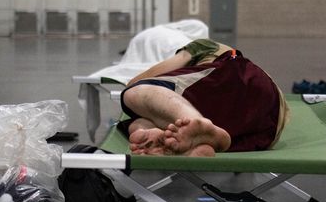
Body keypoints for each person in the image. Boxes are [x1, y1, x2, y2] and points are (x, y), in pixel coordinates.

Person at [119, 39, 288, 157]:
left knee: (132, 93)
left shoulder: (201, 46)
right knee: (140, 124)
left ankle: (195, 122)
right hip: (266, 123)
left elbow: (139, 80)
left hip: (236, 76)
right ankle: (180, 146)